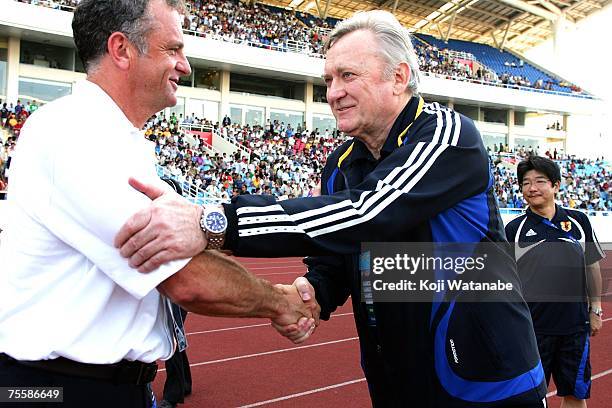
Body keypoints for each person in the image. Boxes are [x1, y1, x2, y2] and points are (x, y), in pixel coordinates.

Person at [116, 10, 548, 407]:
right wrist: (313, 293)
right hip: (398, 380)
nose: (334, 93)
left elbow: (370, 211)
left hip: (491, 380)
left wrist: (215, 222)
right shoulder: (341, 165)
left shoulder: (448, 135)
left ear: (398, 77)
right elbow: (339, 255)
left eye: (347, 76)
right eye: (328, 80)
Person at [0, 1, 316, 407]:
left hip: (104, 384)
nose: (185, 65)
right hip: (55, 387)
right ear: (121, 50)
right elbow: (182, 275)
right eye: (172, 49)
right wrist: (279, 302)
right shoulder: (75, 133)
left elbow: (183, 247)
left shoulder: (117, 139)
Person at [505, 156, 605, 408]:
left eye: (540, 181)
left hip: (574, 327)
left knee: (575, 393)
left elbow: (592, 267)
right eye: (525, 183)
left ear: (556, 186)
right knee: (529, 397)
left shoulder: (578, 222)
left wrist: (595, 308)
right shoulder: (513, 230)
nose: (532, 188)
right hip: (530, 330)